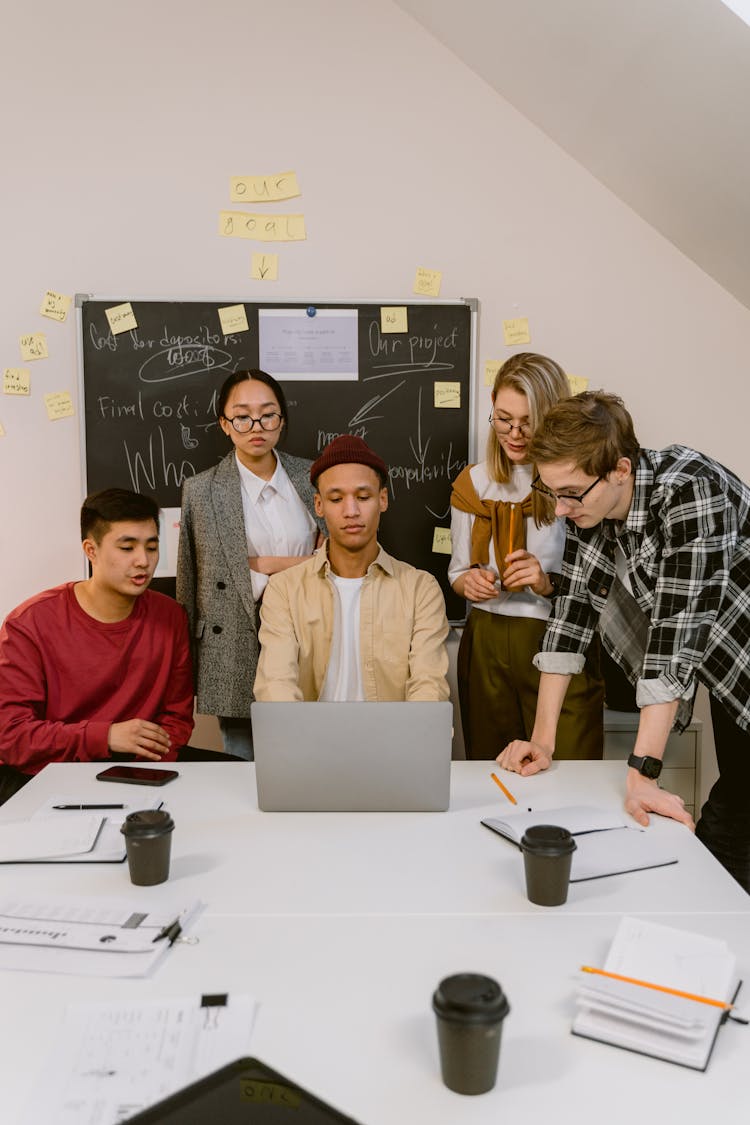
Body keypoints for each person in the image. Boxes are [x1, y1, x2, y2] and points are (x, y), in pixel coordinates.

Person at [496, 391, 750, 892]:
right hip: (729, 674)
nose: (562, 508)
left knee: (733, 826)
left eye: (571, 493)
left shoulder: (689, 489)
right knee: (738, 809)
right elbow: (569, 619)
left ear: (620, 469)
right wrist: (542, 741)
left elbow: (673, 639)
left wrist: (642, 773)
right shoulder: (593, 508)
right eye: (551, 493)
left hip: (729, 656)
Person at [449, 353, 603, 759]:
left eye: (528, 421)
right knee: (493, 768)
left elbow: (601, 580)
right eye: (503, 419)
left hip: (559, 635)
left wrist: (545, 581)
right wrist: (469, 583)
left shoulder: (575, 483)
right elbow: (456, 572)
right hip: (485, 637)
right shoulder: (473, 483)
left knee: (568, 768)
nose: (515, 433)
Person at [0, 489, 194, 804]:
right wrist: (106, 736)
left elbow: (176, 719)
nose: (143, 561)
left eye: (152, 546)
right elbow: (11, 737)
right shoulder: (29, 624)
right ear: (91, 550)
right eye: (127, 547)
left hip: (136, 769)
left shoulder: (170, 616)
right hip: (44, 774)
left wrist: (144, 776)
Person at [176, 369, 325, 759]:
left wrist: (262, 563)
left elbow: (337, 560)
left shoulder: (314, 477)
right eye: (242, 416)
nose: (255, 426)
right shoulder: (201, 489)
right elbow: (195, 581)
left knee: (313, 760)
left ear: (282, 420)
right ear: (225, 424)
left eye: (268, 414)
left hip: (311, 631)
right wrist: (301, 562)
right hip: (235, 643)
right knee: (243, 767)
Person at [253, 434, 450, 702]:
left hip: (391, 740)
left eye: (363, 496)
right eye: (336, 499)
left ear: (382, 499)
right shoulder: (284, 590)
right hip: (310, 740)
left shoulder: (419, 589)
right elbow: (277, 687)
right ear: (319, 505)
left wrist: (404, 741)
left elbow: (429, 688)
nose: (351, 511)